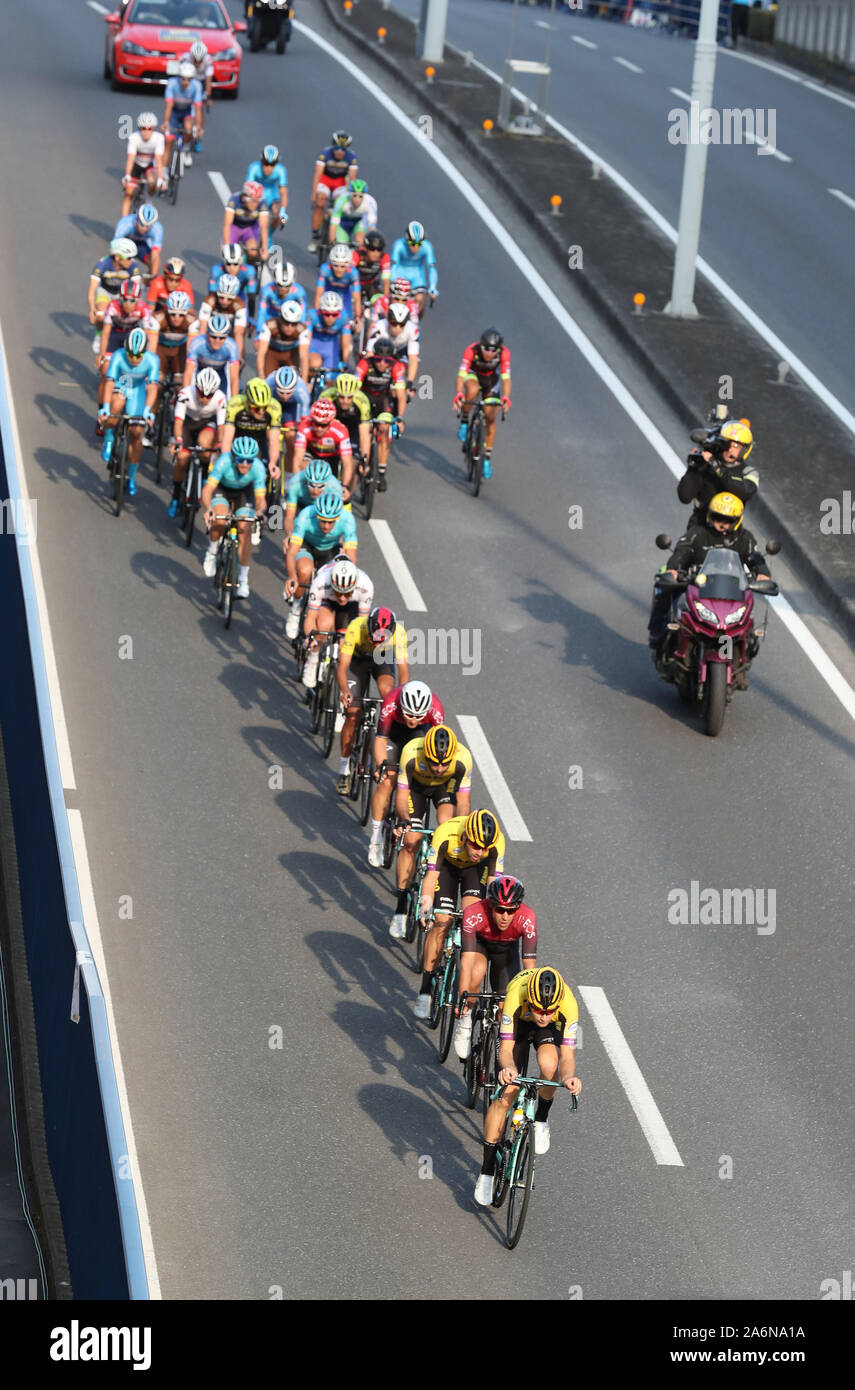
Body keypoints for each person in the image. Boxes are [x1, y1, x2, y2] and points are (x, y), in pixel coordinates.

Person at [474, 968, 580, 1207]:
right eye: (539, 1009)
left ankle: (541, 1119)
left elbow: (568, 1056)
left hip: (547, 1034)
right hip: (518, 1027)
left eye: (549, 1011)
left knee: (550, 1065)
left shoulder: (568, 1004)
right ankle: (487, 1172)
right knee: (506, 1096)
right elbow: (507, 1049)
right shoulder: (516, 995)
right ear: (530, 1001)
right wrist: (509, 1069)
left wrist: (570, 1077)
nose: (543, 1015)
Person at [648, 492, 772, 657]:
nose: (721, 523)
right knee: (666, 590)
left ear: (737, 520)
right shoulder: (697, 533)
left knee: (748, 618)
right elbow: (681, 552)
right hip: (696, 585)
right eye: (717, 517)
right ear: (709, 516)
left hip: (730, 590)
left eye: (727, 520)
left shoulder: (744, 538)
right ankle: (657, 633)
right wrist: (674, 569)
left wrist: (762, 574)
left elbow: (755, 558)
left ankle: (743, 647)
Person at [413, 810, 505, 1019]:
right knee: (442, 921)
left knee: (471, 920)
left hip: (475, 872)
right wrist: (425, 903)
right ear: (465, 837)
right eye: (475, 845)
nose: (479, 851)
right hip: (447, 868)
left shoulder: (495, 845)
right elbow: (431, 877)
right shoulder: (446, 834)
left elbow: (493, 886)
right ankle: (425, 990)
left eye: (484, 848)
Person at [387, 725, 473, 928]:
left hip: (443, 788)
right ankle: (401, 905)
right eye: (434, 763)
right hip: (415, 788)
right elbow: (401, 796)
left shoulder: (463, 758)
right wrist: (405, 820)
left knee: (446, 822)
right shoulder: (411, 752)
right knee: (412, 840)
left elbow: (463, 802)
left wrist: (459, 832)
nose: (439, 768)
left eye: (445, 764)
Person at [452, 876, 537, 1059]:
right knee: (476, 972)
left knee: (505, 1005)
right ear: (490, 904)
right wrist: (463, 996)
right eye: (499, 910)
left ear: (518, 908)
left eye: (511, 910)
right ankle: (465, 1023)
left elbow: (529, 969)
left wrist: (526, 1003)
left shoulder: (527, 918)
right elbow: (466, 961)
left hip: (507, 953)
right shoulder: (474, 913)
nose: (505, 916)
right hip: (481, 945)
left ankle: (501, 1052)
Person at [367, 680, 445, 864]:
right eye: (409, 714)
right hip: (392, 735)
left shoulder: (436, 709)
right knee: (386, 781)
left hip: (418, 736)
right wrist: (381, 767)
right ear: (402, 706)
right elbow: (380, 741)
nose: (413, 719)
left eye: (419, 715)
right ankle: (376, 838)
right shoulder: (391, 703)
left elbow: (438, 743)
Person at [336, 607, 409, 795]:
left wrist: (401, 699)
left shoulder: (398, 633)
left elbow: (403, 671)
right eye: (372, 639)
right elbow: (343, 666)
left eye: (380, 641)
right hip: (357, 662)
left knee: (388, 694)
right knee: (352, 714)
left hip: (381, 661)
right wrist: (344, 691)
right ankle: (343, 770)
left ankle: (382, 736)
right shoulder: (356, 627)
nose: (375, 644)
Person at [199, 436, 268, 600]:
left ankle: (243, 579)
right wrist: (209, 509)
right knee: (220, 520)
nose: (245, 464)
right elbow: (207, 490)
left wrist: (259, 513)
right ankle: (212, 550)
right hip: (222, 489)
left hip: (244, 493)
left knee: (245, 529)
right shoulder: (223, 462)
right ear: (233, 457)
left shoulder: (258, 468)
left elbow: (260, 499)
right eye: (241, 459)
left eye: (249, 460)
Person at [284, 489, 358, 640]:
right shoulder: (306, 516)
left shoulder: (348, 519)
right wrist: (292, 576)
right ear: (316, 515)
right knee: (305, 571)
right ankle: (296, 608)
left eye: (331, 522)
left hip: (330, 550)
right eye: (322, 520)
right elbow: (291, 552)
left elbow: (351, 557)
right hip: (307, 545)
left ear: (337, 518)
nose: (326, 526)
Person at [98, 328, 159, 494]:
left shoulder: (153, 360)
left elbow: (153, 387)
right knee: (116, 405)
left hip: (138, 390)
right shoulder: (118, 355)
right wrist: (105, 406)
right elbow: (109, 382)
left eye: (138, 355)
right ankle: (109, 438)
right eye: (130, 354)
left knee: (136, 433)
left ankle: (131, 477)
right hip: (121, 384)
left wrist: (147, 410)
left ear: (144, 352)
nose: (133, 358)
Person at [301, 553, 374, 690]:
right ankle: (313, 658)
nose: (341, 598)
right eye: (338, 592)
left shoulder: (365, 585)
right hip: (326, 600)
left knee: (345, 644)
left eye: (346, 593)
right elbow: (310, 617)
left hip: (351, 606)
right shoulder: (321, 582)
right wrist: (310, 638)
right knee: (323, 627)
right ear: (332, 584)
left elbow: (361, 623)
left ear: (354, 587)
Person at [168, 367, 226, 518]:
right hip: (187, 423)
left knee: (205, 446)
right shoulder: (185, 394)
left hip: (206, 424)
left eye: (209, 395)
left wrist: (219, 445)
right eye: (201, 394)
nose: (205, 399)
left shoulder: (220, 398)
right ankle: (175, 496)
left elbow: (221, 427)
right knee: (182, 458)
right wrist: (178, 441)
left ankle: (204, 476)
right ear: (196, 388)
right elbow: (179, 422)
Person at [453, 329, 511, 481]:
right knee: (471, 390)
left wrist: (505, 397)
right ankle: (465, 421)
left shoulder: (504, 354)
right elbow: (461, 376)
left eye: (493, 350)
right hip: (473, 374)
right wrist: (459, 394)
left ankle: (486, 460)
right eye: (486, 348)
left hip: (491, 380)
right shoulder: (471, 350)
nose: (489, 353)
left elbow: (506, 378)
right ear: (481, 345)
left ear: (498, 350)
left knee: (490, 417)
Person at [678, 420, 758, 529]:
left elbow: (745, 491)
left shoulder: (748, 472)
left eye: (736, 446)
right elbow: (685, 496)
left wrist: (717, 468)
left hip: (730, 531)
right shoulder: (707, 463)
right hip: (700, 526)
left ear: (745, 449)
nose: (730, 450)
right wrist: (694, 467)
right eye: (727, 444)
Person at [355, 337, 407, 491]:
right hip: (364, 399)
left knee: (384, 430)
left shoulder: (396, 367)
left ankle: (381, 474)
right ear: (374, 356)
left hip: (383, 401)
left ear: (391, 359)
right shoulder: (365, 363)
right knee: (361, 430)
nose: (382, 364)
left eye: (386, 360)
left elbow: (401, 395)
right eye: (378, 359)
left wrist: (400, 418)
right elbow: (355, 390)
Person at [88, 238, 144, 351]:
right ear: (117, 257)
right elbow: (92, 290)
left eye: (132, 258)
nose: (131, 261)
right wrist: (92, 309)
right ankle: (99, 336)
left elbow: (137, 290)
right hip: (105, 291)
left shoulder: (133, 266)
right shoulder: (102, 265)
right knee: (100, 314)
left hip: (122, 293)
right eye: (128, 258)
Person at [309, 131, 358, 253]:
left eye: (343, 149)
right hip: (325, 180)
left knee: (339, 204)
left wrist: (350, 199)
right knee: (320, 202)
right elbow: (317, 174)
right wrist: (314, 192)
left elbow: (352, 180)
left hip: (340, 182)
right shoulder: (325, 154)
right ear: (333, 146)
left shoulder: (351, 157)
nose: (340, 151)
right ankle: (315, 237)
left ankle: (335, 233)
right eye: (337, 148)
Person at [183, 314, 240, 399]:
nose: (217, 341)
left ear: (227, 337)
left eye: (221, 338)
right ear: (207, 334)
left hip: (220, 376)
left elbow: (234, 378)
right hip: (200, 374)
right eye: (213, 336)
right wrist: (185, 395)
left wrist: (234, 402)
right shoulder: (197, 342)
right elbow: (188, 373)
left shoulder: (231, 346)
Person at [267, 364, 311, 473]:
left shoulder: (302, 390)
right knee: (270, 436)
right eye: (281, 392)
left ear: (294, 388)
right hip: (271, 403)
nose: (285, 396)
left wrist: (298, 432)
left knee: (292, 439)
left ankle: (287, 473)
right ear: (276, 387)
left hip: (290, 407)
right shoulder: (268, 384)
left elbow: (305, 422)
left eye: (289, 392)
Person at [121, 112, 165, 216]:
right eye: (143, 128)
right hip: (136, 166)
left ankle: (149, 200)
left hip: (149, 166)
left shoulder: (159, 138)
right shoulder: (134, 137)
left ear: (153, 129)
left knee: (152, 181)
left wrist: (160, 178)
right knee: (128, 194)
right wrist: (127, 175)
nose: (146, 131)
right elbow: (131, 158)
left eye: (149, 128)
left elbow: (158, 159)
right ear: (139, 128)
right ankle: (123, 221)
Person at [389, 220, 437, 316]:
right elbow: (393, 266)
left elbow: (431, 268)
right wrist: (393, 281)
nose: (415, 247)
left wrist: (432, 287)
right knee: (396, 301)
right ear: (406, 239)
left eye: (419, 244)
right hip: (400, 274)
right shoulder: (399, 245)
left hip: (417, 277)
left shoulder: (427, 247)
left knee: (420, 300)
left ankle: (415, 323)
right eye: (412, 243)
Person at [256, 300, 310, 381]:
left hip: (291, 354)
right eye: (286, 322)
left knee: (293, 381)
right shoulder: (269, 326)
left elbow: (304, 357)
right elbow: (261, 353)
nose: (289, 327)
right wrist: (261, 376)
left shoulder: (302, 329)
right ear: (280, 319)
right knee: (269, 381)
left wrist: (304, 381)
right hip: (272, 353)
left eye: (294, 324)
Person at [162, 61, 204, 161]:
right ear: (178, 77)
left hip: (187, 111)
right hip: (174, 112)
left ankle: (186, 148)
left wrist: (198, 126)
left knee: (189, 128)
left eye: (189, 79)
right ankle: (164, 170)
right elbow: (169, 106)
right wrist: (166, 122)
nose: (186, 82)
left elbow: (198, 108)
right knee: (169, 139)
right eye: (183, 78)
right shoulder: (172, 83)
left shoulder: (196, 86)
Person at [222, 181, 270, 265]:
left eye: (257, 201)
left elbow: (263, 226)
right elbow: (227, 224)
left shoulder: (262, 202)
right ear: (244, 198)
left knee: (253, 252)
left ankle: (249, 271)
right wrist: (226, 245)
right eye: (253, 201)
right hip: (234, 227)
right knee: (229, 255)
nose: (255, 204)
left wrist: (264, 247)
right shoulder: (234, 199)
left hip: (250, 228)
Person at [113, 203, 163, 280]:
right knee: (121, 264)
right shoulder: (125, 223)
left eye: (148, 226)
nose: (144, 229)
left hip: (141, 245)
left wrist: (153, 277)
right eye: (141, 224)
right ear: (136, 219)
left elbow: (155, 255)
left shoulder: (157, 229)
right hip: (125, 244)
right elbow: (115, 248)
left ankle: (146, 286)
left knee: (156, 264)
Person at [245, 145, 288, 228]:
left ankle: (269, 236)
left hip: (272, 193)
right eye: (266, 164)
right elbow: (247, 188)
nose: (269, 168)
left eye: (272, 165)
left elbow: (284, 193)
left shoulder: (281, 170)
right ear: (261, 161)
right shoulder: (254, 167)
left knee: (280, 216)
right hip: (256, 192)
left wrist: (282, 211)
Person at [328, 179, 378, 248]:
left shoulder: (370, 202)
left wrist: (371, 245)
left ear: (364, 196)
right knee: (341, 246)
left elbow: (372, 228)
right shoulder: (341, 200)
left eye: (360, 196)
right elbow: (333, 225)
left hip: (359, 221)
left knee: (361, 242)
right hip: (343, 222)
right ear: (350, 195)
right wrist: (332, 243)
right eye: (354, 196)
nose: (357, 199)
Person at [187, 40, 213, 148]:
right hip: (189, 80)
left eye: (199, 60)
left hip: (201, 81)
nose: (197, 63)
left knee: (200, 106)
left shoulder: (208, 60)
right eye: (195, 60)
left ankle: (198, 136)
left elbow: (208, 80)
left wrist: (208, 96)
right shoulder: (185, 59)